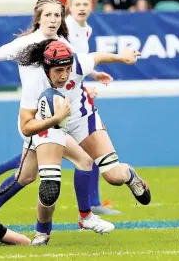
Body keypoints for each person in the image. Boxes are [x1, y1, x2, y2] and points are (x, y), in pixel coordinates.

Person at [0, 0, 113, 245]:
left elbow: (73, 69)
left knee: (27, 176)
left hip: (54, 118)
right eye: (48, 15)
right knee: (79, 161)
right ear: (38, 17)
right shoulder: (26, 43)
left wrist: (87, 82)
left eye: (57, 15)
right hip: (34, 118)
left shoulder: (62, 42)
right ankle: (72, 221)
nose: (53, 19)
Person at [15, 38, 151, 245]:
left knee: (113, 176)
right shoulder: (34, 81)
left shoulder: (79, 64)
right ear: (46, 67)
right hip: (49, 123)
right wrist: (55, 119)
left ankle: (129, 174)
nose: (64, 76)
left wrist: (122, 58)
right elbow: (26, 126)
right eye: (58, 71)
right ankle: (42, 232)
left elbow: (97, 57)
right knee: (50, 187)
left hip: (81, 116)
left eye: (67, 69)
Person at [65, 0, 120, 215]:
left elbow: (81, 62)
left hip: (75, 93)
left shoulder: (85, 29)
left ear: (91, 7)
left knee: (91, 147)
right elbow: (66, 66)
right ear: (68, 5)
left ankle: (92, 204)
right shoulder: (65, 28)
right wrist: (84, 87)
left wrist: (94, 74)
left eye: (85, 5)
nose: (81, 8)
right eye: (77, 4)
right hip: (63, 97)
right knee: (36, 157)